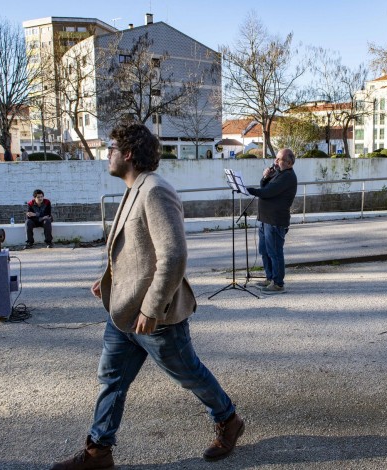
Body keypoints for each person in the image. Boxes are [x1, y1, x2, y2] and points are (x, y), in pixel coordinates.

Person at [50, 123, 244, 470]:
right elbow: (139, 249)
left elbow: (173, 255)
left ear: (127, 154)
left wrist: (152, 307)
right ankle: (99, 450)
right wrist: (107, 278)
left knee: (189, 374)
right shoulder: (133, 188)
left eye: (111, 148)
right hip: (123, 312)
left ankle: (229, 419)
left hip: (154, 318)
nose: (106, 154)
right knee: (111, 379)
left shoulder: (154, 190)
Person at [246, 148, 298, 294]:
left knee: (275, 252)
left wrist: (247, 189)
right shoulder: (278, 173)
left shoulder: (287, 177)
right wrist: (265, 177)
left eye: (279, 159)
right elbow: (264, 187)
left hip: (275, 221)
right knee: (264, 251)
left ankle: (278, 284)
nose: (275, 161)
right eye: (276, 158)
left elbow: (266, 193)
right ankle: (270, 278)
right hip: (265, 219)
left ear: (288, 162)